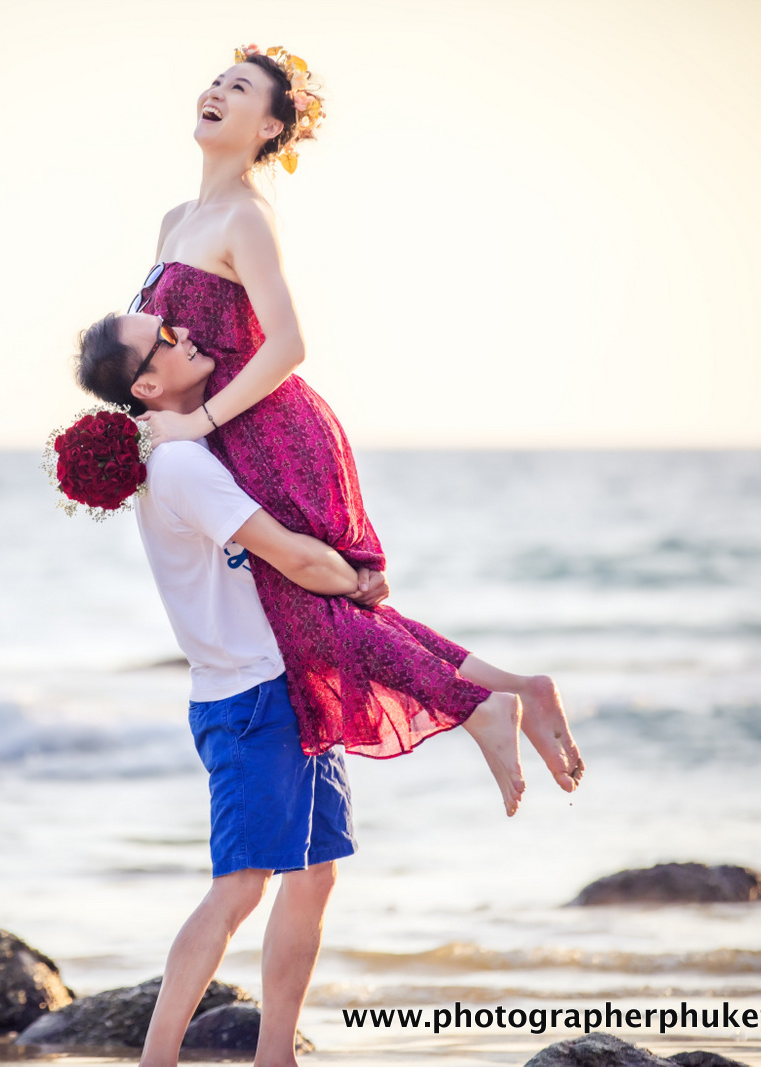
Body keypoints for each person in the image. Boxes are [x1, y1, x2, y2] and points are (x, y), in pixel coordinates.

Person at [74, 45, 582, 815]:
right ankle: (512, 689)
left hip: (273, 428)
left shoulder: (246, 214)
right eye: (216, 79)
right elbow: (148, 352)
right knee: (332, 609)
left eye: (239, 88)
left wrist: (199, 424)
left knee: (311, 613)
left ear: (271, 126)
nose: (215, 90)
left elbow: (288, 343)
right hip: (230, 437)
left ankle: (482, 707)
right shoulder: (177, 220)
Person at [100, 322, 527, 1067]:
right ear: (146, 385)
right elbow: (292, 556)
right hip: (250, 697)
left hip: (286, 681)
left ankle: (276, 1056)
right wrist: (356, 579)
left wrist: (345, 577)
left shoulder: (193, 450)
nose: (187, 328)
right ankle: (156, 1058)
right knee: (239, 887)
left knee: (316, 874)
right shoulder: (179, 467)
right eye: (165, 333)